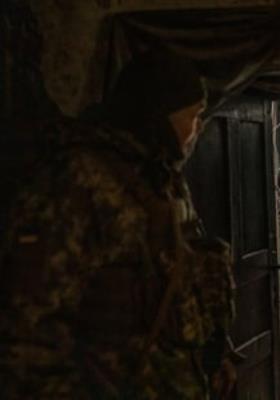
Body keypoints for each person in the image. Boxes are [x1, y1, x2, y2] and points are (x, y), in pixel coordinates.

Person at [0, 48, 236, 399]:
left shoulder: (162, 180)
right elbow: (28, 331)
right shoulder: (79, 181)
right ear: (160, 115)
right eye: (194, 116)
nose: (198, 129)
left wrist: (214, 358)